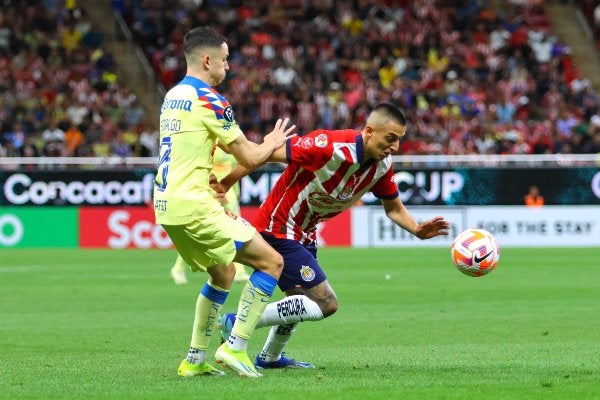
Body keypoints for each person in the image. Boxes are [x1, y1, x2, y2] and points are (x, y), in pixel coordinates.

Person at [213, 103, 450, 369]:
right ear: (370, 131)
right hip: (278, 226)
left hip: (305, 231)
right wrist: (227, 181)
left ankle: (270, 357)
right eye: (390, 138)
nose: (395, 147)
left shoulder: (381, 166)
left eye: (399, 140)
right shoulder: (328, 145)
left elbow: (393, 208)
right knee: (326, 303)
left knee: (298, 298)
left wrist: (417, 229)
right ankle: (238, 322)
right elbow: (263, 155)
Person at [153, 26, 295, 378]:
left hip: (166, 204)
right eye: (225, 59)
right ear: (207, 60)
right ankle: (235, 346)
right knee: (271, 262)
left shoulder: (173, 95)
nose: (228, 67)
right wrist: (272, 141)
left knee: (223, 272)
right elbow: (249, 156)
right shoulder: (209, 99)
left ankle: (194, 359)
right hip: (194, 204)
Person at [170, 146, 251, 285]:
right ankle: (178, 268)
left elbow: (233, 169)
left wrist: (235, 193)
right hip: (212, 191)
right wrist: (215, 189)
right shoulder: (209, 143)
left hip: (228, 192)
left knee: (236, 229)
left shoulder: (230, 143)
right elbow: (203, 169)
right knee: (200, 232)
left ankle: (240, 270)